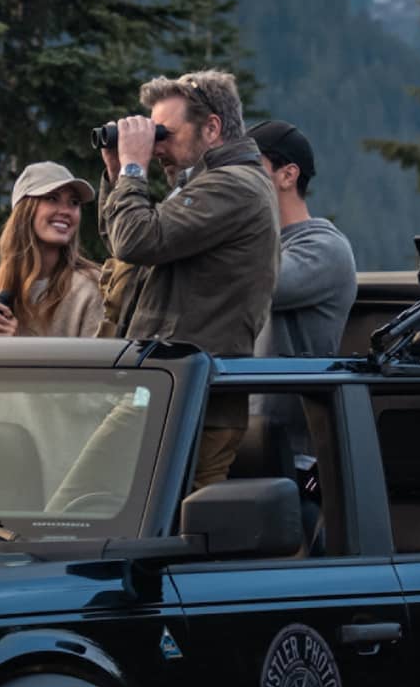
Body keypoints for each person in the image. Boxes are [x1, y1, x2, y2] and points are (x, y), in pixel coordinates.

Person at [93, 69, 279, 488]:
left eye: (165, 133)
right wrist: (116, 173)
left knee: (80, 503)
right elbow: (124, 246)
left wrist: (134, 170)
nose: (157, 148)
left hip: (189, 399)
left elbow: (136, 239)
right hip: (168, 392)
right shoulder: (212, 185)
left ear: (211, 128)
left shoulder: (235, 187)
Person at [0, 161, 104, 338]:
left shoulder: (90, 287)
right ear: (25, 211)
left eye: (74, 202)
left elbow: (95, 364)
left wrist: (18, 342)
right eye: (52, 198)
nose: (66, 211)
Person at [248, 120, 357, 358]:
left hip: (293, 396)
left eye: (251, 168)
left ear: (288, 175)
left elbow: (250, 285)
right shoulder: (261, 246)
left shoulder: (325, 249)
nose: (239, 180)